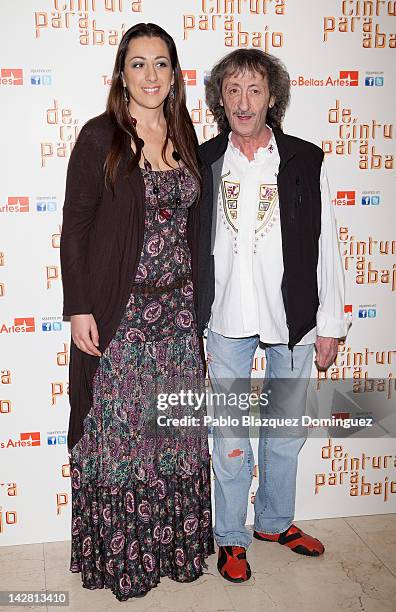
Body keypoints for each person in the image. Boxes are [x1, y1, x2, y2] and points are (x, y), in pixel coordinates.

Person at [60, 22, 214, 601]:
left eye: (162, 64)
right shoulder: (100, 137)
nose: (151, 75)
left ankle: (171, 550)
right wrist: (79, 308)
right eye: (139, 63)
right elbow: (74, 229)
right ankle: (123, 558)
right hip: (121, 316)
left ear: (175, 75)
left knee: (172, 435)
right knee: (121, 438)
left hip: (177, 317)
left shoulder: (184, 133)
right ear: (120, 73)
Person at [197, 48, 349, 582]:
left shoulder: (305, 159)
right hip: (226, 319)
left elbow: (327, 242)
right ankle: (231, 538)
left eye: (255, 89)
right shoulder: (204, 159)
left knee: (285, 431)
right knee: (231, 435)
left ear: (273, 97)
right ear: (220, 98)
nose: (244, 101)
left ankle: (274, 522)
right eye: (233, 90)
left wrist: (330, 323)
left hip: (293, 319)